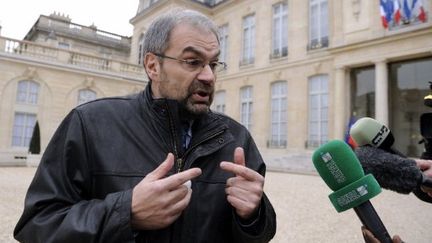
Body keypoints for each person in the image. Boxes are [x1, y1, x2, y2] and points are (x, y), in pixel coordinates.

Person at [14, 9, 276, 243]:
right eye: (193, 62)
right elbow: (36, 226)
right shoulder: (90, 124)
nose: (208, 75)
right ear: (153, 66)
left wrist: (253, 215)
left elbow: (261, 234)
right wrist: (125, 212)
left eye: (213, 63)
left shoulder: (236, 137)